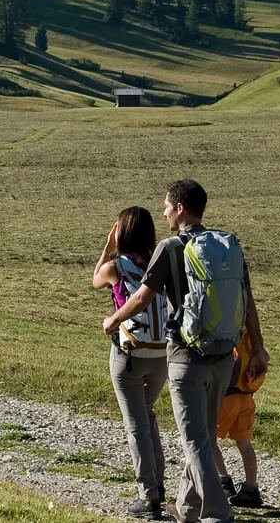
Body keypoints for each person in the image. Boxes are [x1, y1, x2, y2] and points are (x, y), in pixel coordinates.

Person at [104, 179, 268, 523]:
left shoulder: (170, 247)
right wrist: (258, 349)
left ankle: (218, 514)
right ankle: (188, 507)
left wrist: (113, 320)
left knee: (194, 440)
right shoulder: (227, 246)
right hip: (224, 357)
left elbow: (142, 298)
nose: (163, 211)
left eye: (166, 206)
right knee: (205, 435)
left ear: (180, 208)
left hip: (186, 358)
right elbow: (248, 300)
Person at [93, 206, 172, 519]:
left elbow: (95, 279)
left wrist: (108, 245)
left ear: (121, 232)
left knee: (136, 423)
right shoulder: (160, 263)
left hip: (129, 353)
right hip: (160, 353)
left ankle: (149, 495)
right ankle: (160, 486)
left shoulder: (116, 266)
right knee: (147, 414)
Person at [212, 328, 266, 508]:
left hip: (228, 396)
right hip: (247, 397)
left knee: (208, 439)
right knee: (244, 444)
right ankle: (251, 488)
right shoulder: (253, 341)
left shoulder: (231, 334)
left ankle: (223, 481)